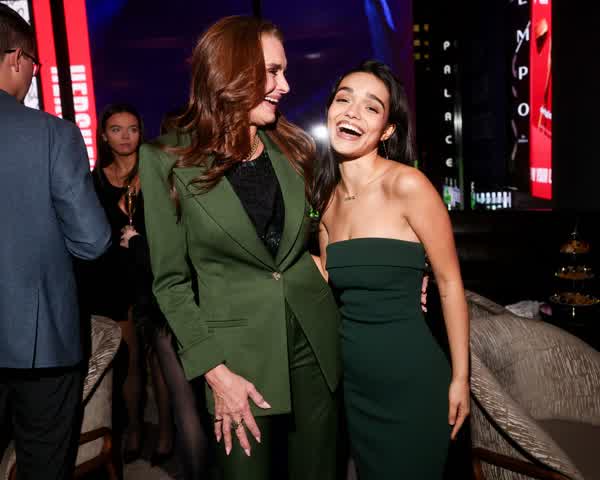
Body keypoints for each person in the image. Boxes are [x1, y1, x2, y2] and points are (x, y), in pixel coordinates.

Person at [139, 15, 341, 480]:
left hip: (314, 346)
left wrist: (392, 269)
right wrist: (215, 371)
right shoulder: (165, 159)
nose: (285, 85)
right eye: (273, 71)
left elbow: (333, 221)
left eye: (283, 71)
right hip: (235, 360)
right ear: (231, 71)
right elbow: (170, 283)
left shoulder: (294, 149)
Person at [312, 60, 470, 479]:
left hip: (412, 379)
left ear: (387, 130)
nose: (352, 112)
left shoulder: (408, 186)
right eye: (343, 99)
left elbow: (450, 283)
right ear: (329, 111)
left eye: (371, 107)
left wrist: (461, 377)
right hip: (356, 384)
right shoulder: (326, 202)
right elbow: (329, 279)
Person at [0, 5, 111, 479]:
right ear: (16, 58)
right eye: (34, 64)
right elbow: (92, 241)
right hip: (40, 344)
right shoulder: (52, 134)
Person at [91, 104, 178, 464]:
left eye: (132, 129)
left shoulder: (155, 172)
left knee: (161, 360)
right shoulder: (95, 181)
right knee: (128, 361)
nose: (125, 136)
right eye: (116, 129)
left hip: (153, 274)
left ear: (142, 133)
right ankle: (134, 429)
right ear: (104, 135)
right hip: (114, 279)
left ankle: (167, 433)